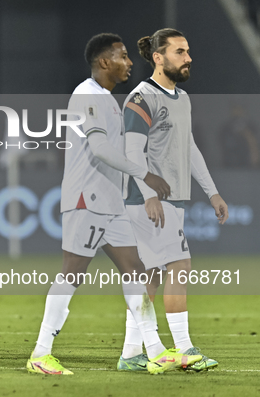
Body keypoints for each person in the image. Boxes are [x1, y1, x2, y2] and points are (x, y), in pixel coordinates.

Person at [27, 33, 202, 375]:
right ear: (104, 62)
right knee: (72, 273)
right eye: (123, 56)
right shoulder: (86, 95)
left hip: (110, 201)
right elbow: (100, 149)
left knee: (137, 270)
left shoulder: (106, 99)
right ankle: (40, 352)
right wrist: (145, 174)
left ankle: (153, 349)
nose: (130, 62)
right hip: (86, 199)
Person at [120, 28, 228, 371]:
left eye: (188, 51)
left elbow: (189, 148)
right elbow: (132, 152)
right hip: (147, 199)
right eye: (180, 52)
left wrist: (211, 191)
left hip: (173, 199)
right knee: (179, 266)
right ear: (158, 57)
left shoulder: (182, 97)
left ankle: (130, 354)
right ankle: (184, 349)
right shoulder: (141, 98)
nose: (188, 57)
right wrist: (150, 195)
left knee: (149, 275)